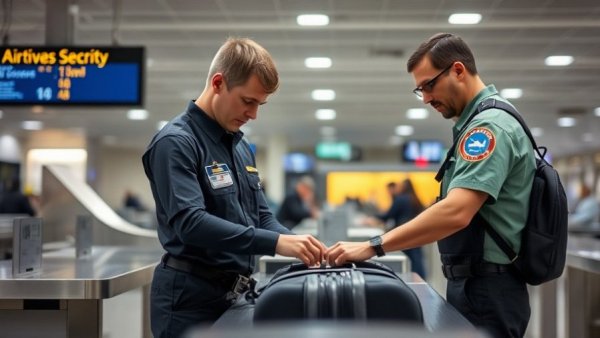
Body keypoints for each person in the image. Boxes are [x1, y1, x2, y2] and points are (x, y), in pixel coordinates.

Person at [326, 32, 535, 338]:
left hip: (488, 289)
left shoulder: (488, 127)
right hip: (477, 285)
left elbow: (456, 211)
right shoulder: (476, 123)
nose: (425, 98)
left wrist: (374, 246)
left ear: (458, 70)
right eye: (419, 89)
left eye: (429, 85)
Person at [142, 37, 326, 338]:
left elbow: (262, 216)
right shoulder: (177, 142)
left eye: (260, 104)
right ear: (218, 83)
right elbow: (190, 223)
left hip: (235, 294)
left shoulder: (239, 147)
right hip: (189, 299)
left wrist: (301, 245)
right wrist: (276, 244)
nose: (253, 114)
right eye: (248, 101)